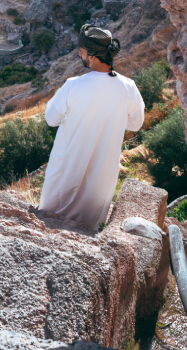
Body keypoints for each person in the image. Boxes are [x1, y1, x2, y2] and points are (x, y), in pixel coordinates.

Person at [39, 24, 145, 229]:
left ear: (94, 56)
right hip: (102, 177)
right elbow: (136, 123)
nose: (79, 55)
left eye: (82, 52)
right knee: (88, 229)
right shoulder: (128, 87)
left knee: (50, 224)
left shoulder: (73, 85)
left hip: (65, 170)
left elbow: (51, 119)